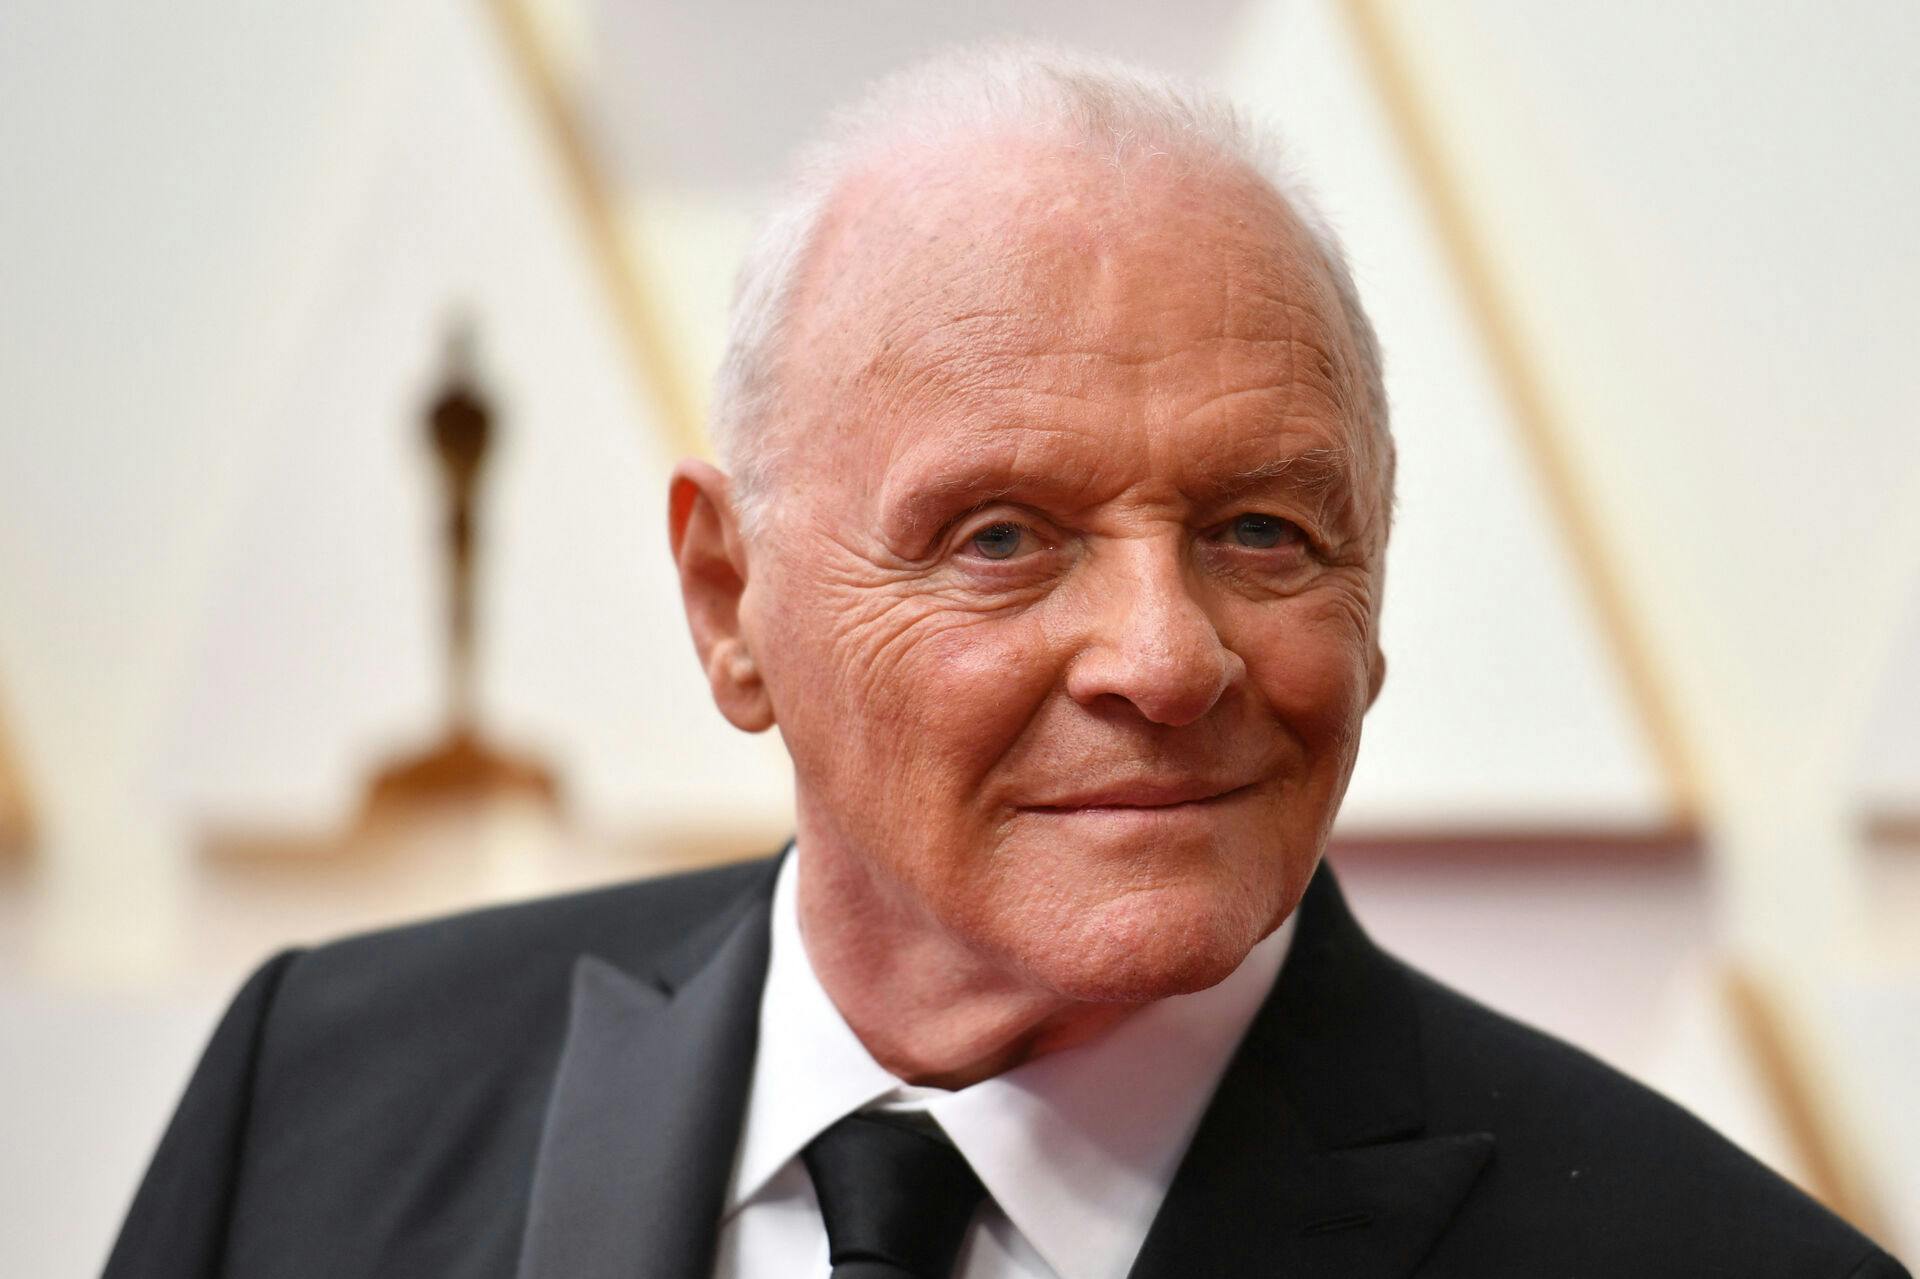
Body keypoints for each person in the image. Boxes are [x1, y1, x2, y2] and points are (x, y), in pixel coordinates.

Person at [106, 44, 1906, 1279]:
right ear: (732, 605)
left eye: (1261, 533)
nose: (1163, 657)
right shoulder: (321, 1099)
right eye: (1001, 539)